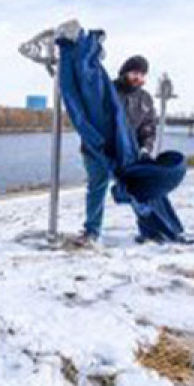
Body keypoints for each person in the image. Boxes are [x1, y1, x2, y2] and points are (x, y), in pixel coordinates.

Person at [76, 55, 156, 246]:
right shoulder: (107, 90)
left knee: (140, 191)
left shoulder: (145, 99)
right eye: (135, 73)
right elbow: (90, 116)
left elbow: (148, 127)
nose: (139, 77)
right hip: (98, 151)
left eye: (143, 74)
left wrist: (145, 148)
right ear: (125, 72)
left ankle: (149, 231)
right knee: (97, 187)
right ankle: (91, 232)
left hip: (128, 154)